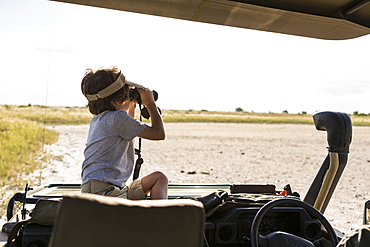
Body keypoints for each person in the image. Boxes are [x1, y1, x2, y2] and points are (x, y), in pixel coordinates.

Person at [80, 67, 168, 200]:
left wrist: (131, 106)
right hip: (105, 194)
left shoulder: (101, 118)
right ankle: (160, 219)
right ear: (116, 101)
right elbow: (159, 134)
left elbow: (128, 130)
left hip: (98, 189)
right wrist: (150, 104)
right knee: (159, 178)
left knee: (157, 178)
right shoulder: (117, 118)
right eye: (126, 93)